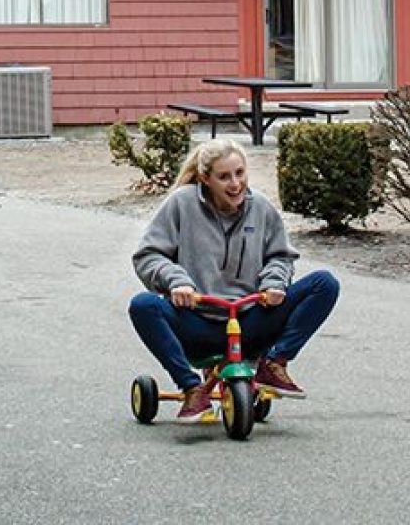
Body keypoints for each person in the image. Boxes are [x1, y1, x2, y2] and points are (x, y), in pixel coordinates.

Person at [128, 137, 341, 423]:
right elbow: (148, 255)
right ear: (206, 178)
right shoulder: (182, 204)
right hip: (197, 321)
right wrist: (177, 282)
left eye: (240, 173)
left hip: (248, 319)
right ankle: (192, 388)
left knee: (324, 283)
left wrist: (274, 284)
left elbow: (281, 256)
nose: (235, 184)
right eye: (224, 177)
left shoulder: (261, 208)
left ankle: (274, 364)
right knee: (143, 305)